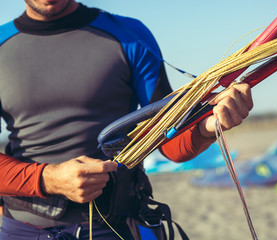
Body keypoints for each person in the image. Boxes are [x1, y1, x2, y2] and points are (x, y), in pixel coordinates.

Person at [0, 0, 253, 239]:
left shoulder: (128, 34)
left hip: (118, 226)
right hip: (22, 228)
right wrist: (47, 179)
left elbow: (167, 140)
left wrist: (205, 128)